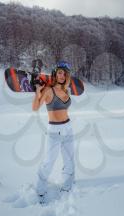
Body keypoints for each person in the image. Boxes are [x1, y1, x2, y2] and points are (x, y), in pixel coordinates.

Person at [32, 61, 75, 200]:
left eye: (65, 74)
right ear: (55, 74)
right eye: (60, 73)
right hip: (54, 132)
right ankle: (40, 190)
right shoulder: (48, 90)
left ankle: (67, 185)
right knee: (49, 162)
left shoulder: (65, 90)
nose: (62, 76)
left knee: (69, 160)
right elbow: (35, 107)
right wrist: (37, 91)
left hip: (68, 128)